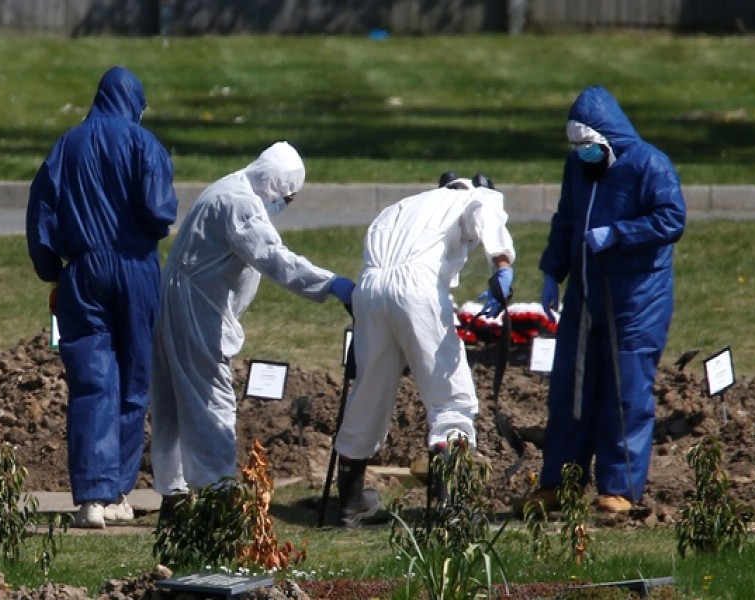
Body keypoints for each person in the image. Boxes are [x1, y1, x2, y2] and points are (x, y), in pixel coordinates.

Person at [150, 141, 356, 513]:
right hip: (198, 312)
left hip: (185, 304)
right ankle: (217, 493)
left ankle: (174, 491)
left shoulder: (232, 186)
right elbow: (273, 258)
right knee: (211, 399)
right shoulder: (241, 203)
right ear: (276, 185)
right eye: (288, 199)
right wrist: (332, 284)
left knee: (175, 399)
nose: (285, 207)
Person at [25, 66, 179, 528]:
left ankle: (91, 498)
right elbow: (158, 212)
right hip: (135, 269)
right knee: (134, 379)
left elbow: (42, 209)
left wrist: (52, 270)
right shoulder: (144, 144)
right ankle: (117, 494)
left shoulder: (67, 144)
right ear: (134, 103)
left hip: (83, 272)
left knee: (92, 381)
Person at [528, 85, 686, 515]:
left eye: (589, 146)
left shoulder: (649, 164)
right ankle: (560, 481)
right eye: (575, 147)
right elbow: (566, 218)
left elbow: (671, 219)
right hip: (584, 295)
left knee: (625, 392)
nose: (582, 153)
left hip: (636, 300)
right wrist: (551, 273)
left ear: (609, 140)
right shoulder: (577, 167)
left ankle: (619, 488)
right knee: (572, 390)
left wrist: (618, 234)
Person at [333, 174, 516, 527]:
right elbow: (487, 213)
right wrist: (502, 264)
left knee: (368, 393)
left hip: (370, 290)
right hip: (418, 290)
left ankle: (350, 504)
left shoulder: (402, 206)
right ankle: (451, 508)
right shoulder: (476, 196)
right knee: (450, 397)